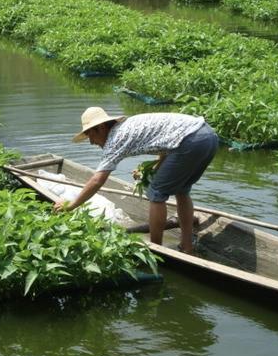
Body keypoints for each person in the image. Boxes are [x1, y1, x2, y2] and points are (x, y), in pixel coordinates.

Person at [53, 107, 218, 254]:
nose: (91, 142)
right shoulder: (127, 127)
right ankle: (187, 246)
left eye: (91, 134)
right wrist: (156, 168)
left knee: (156, 193)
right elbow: (167, 143)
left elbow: (97, 180)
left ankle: (156, 251)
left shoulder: (115, 139)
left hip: (190, 141)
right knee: (182, 190)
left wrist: (72, 205)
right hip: (208, 137)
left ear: (102, 127)